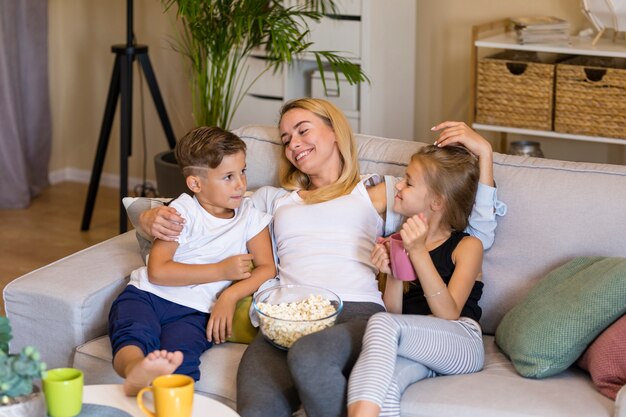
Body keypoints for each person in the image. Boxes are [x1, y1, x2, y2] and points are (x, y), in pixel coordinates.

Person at [138, 98, 506, 417]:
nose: (293, 144)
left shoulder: (378, 191)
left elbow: (465, 223)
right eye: (286, 139)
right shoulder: (273, 199)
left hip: (355, 311)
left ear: (334, 131)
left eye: (302, 130)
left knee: (312, 359)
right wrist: (149, 216)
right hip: (284, 318)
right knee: (256, 406)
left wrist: (484, 155)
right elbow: (207, 205)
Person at [108, 126, 276, 396]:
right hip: (148, 296)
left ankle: (169, 400)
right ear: (196, 184)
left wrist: (230, 295)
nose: (241, 184)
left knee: (182, 358)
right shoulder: (182, 211)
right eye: (228, 177)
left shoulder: (251, 217)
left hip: (195, 312)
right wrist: (221, 270)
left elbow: (268, 267)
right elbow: (159, 272)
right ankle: (135, 370)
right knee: (132, 332)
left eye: (242, 172)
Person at [347, 145, 484, 417]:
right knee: (385, 387)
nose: (398, 185)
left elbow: (449, 313)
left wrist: (418, 252)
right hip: (418, 345)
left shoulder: (467, 246)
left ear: (437, 201)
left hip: (462, 342)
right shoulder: (398, 239)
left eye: (408, 182)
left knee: (379, 323)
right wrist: (392, 271)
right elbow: (395, 315)